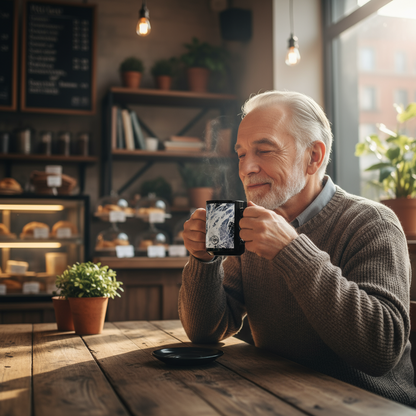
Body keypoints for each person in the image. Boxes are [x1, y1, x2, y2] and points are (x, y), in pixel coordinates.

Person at [178, 90, 416, 406]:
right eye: (241, 154)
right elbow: (206, 331)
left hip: (370, 405)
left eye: (263, 150)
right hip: (280, 399)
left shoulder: (373, 223)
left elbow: (381, 349)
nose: (246, 167)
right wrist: (203, 260)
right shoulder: (250, 223)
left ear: (313, 157)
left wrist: (290, 250)